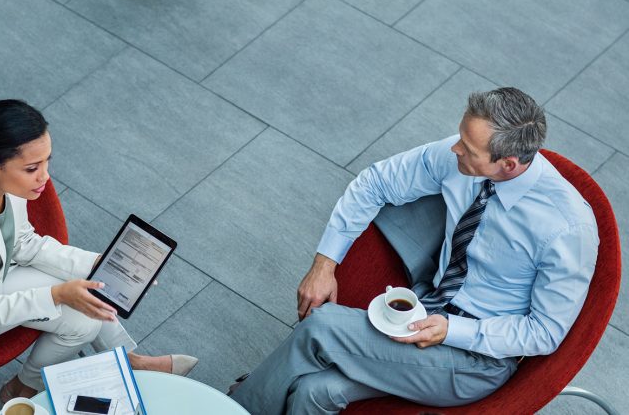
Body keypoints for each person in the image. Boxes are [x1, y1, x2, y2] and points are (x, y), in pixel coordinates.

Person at [229, 87, 599, 414]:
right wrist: (324, 264)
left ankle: (233, 407)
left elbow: (544, 332)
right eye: (460, 137)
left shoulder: (568, 229)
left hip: (475, 360)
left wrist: (452, 331)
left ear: (508, 164)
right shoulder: (462, 156)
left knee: (320, 327)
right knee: (316, 391)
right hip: (424, 310)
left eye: (467, 149)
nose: (454, 149)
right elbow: (375, 182)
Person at [0, 100, 198, 403]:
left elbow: (23, 242)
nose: (45, 176)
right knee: (83, 321)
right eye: (33, 168)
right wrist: (58, 295)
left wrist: (99, 264)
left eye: (47, 161)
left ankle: (39, 385)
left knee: (85, 308)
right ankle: (28, 388)